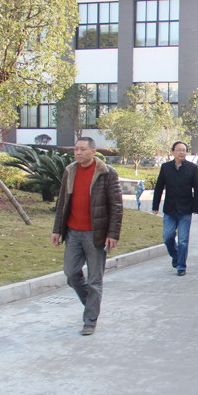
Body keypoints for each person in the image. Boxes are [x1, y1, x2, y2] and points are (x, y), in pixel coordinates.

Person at [51, 137, 123, 336]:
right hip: (73, 233)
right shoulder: (70, 171)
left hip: (96, 235)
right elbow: (62, 202)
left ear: (93, 151)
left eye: (82, 149)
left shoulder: (107, 173)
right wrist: (57, 230)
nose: (78, 153)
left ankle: (90, 320)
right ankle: (91, 304)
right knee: (71, 273)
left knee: (94, 281)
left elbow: (116, 206)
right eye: (76, 149)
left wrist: (113, 233)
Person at [151, 142, 198, 276]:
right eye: (178, 150)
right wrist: (155, 206)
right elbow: (159, 187)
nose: (181, 152)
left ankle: (181, 266)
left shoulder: (192, 168)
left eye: (184, 150)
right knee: (167, 237)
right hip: (170, 208)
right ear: (173, 152)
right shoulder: (165, 167)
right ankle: (176, 255)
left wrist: (196, 207)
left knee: (183, 241)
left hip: (186, 208)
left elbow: (196, 189)